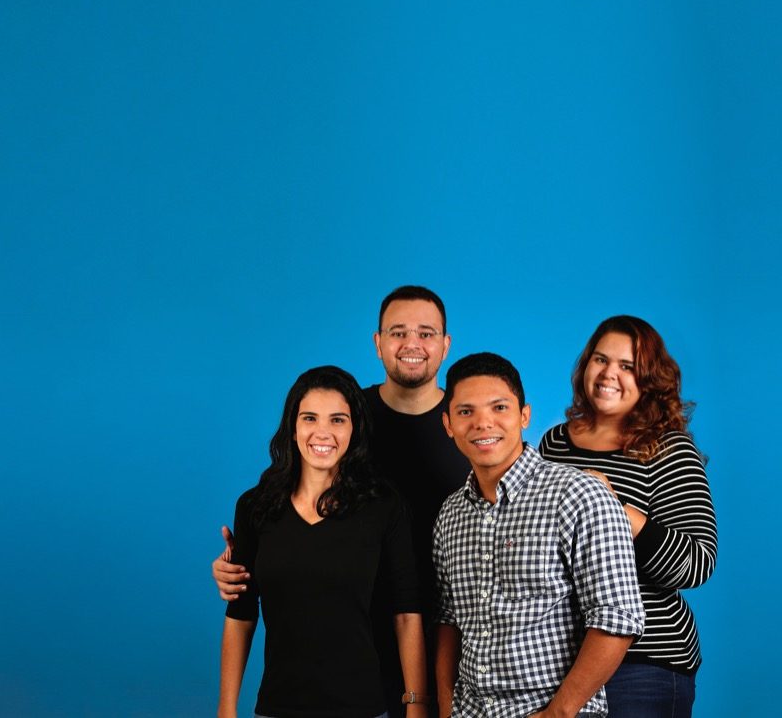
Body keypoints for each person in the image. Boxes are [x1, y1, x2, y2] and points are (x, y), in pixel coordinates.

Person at [214, 286, 466, 716]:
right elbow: (250, 591)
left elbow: (515, 490)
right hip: (340, 647)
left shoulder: (468, 423)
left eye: (426, 333)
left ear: (445, 345)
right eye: (398, 331)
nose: (412, 344)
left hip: (445, 638)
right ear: (378, 342)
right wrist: (235, 569)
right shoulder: (349, 405)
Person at [433, 353, 644, 718]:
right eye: (466, 412)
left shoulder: (578, 496)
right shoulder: (451, 514)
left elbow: (618, 618)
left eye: (499, 407)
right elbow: (449, 619)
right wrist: (446, 707)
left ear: (524, 416)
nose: (483, 423)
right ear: (448, 424)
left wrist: (557, 713)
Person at [218, 366, 429, 718]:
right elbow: (240, 614)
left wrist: (416, 705)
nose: (323, 432)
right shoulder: (256, 507)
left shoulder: (383, 506)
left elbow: (406, 614)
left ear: (354, 429)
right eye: (310, 418)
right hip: (278, 706)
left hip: (363, 707)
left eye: (337, 420)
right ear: (293, 426)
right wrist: (226, 709)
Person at [538, 317, 716, 718]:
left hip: (645, 661)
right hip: (564, 661)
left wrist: (619, 513)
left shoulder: (669, 449)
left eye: (627, 366)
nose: (609, 374)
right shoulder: (555, 443)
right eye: (601, 360)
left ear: (649, 379)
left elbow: (698, 564)